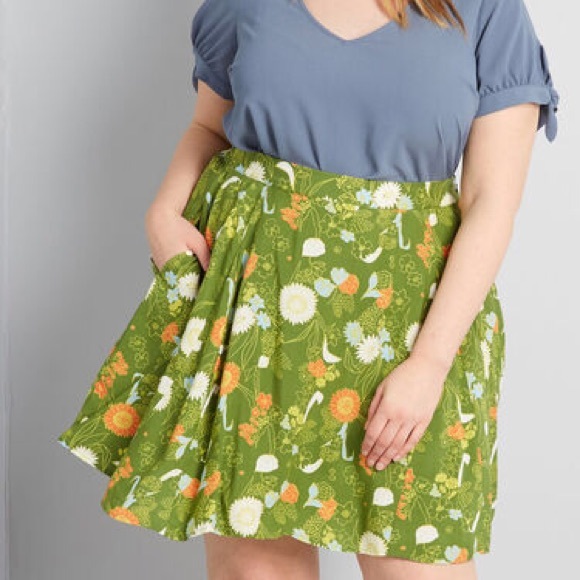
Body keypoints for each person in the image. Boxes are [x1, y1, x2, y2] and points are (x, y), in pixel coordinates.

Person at [57, 0, 560, 578]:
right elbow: (209, 128)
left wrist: (430, 362)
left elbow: (491, 201)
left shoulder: (485, 9)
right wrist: (164, 211)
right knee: (256, 568)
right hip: (256, 313)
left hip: (414, 327)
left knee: (415, 561)